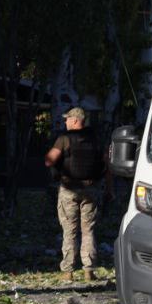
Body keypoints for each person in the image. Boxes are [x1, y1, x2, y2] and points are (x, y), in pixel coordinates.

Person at [44, 107, 113, 281]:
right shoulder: (96, 140)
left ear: (75, 120)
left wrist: (56, 168)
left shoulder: (64, 139)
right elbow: (108, 166)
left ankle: (68, 272)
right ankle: (89, 270)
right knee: (88, 230)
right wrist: (110, 189)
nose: (65, 122)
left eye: (67, 119)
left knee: (70, 231)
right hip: (91, 189)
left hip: (69, 190)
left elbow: (49, 160)